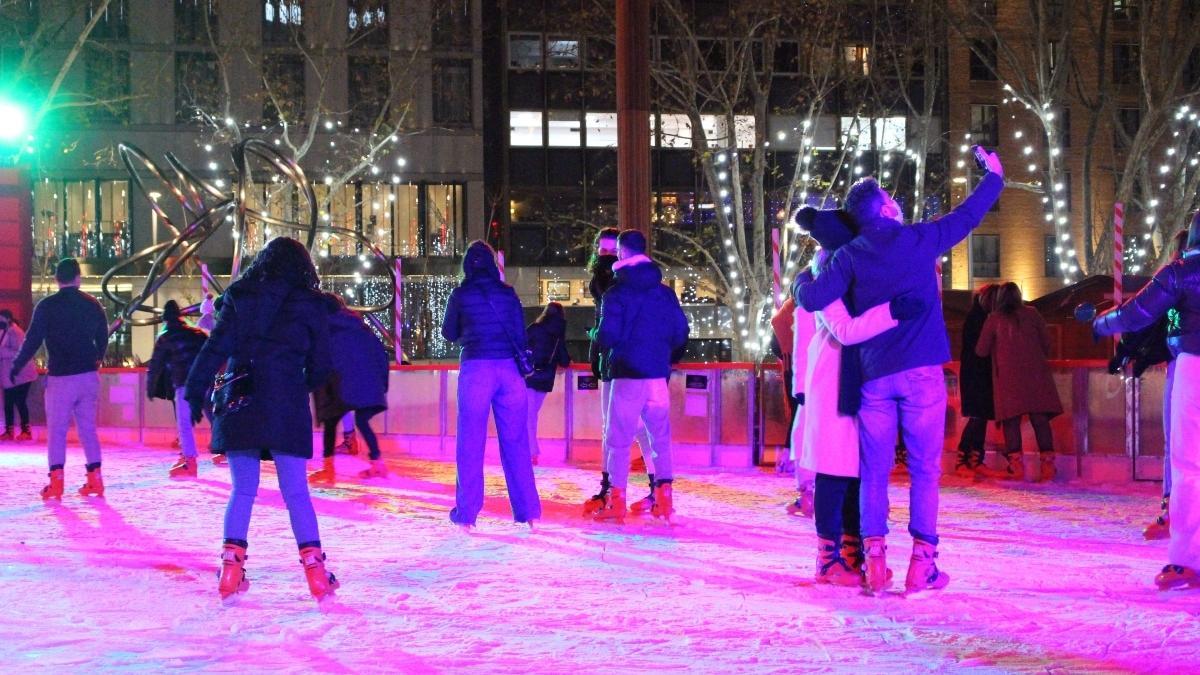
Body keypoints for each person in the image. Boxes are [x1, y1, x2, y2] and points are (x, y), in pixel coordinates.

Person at [794, 147, 1004, 595]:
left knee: (874, 470)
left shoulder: (849, 256)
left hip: (873, 376)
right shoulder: (918, 239)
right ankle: (921, 564)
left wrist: (799, 281)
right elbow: (968, 217)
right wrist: (994, 178)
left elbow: (812, 300)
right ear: (886, 207)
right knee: (925, 470)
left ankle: (873, 563)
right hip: (923, 371)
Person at [184, 237, 339, 603]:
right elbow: (323, 365)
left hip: (242, 400)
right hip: (285, 402)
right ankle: (316, 575)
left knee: (242, 490)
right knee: (296, 493)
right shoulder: (311, 305)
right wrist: (298, 384)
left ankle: (229, 572)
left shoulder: (240, 296)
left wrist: (194, 390)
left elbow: (214, 348)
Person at [793, 206, 926, 586]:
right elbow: (845, 331)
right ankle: (828, 557)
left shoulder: (849, 275)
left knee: (857, 471)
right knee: (835, 470)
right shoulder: (824, 279)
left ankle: (852, 550)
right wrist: (893, 311)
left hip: (864, 379)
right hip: (836, 383)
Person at [1093, 213, 1200, 590]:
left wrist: (1102, 324)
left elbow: (1137, 312)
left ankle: (1187, 558)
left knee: (1188, 464)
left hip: (1193, 365)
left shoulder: (1181, 271)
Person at [590, 230, 690, 523]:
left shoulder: (616, 293)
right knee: (660, 439)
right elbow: (681, 333)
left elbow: (608, 336)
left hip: (626, 376)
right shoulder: (665, 292)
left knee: (618, 440)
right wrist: (663, 358)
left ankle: (617, 501)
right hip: (657, 378)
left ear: (622, 253)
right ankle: (664, 499)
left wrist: (595, 333)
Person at [441, 240, 541, 529]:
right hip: (509, 372)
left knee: (470, 442)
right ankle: (528, 511)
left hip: (476, 369)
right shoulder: (508, 295)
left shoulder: (460, 294)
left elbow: (449, 333)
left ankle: (467, 514)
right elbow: (520, 336)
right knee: (516, 441)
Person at [1108, 228, 1189, 539]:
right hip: (1180, 362)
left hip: (1183, 366)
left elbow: (1143, 317)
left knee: (1178, 443)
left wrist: (1121, 345)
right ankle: (1174, 511)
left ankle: (1172, 512)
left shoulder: (1176, 277)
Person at [11, 259, 109, 500]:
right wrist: (98, 357)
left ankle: (56, 482)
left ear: (56, 279)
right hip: (88, 375)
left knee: (57, 430)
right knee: (88, 429)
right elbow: (103, 335)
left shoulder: (47, 306)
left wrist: (17, 364)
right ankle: (95, 478)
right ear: (78, 277)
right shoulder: (92, 304)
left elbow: (32, 340)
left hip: (60, 378)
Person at [583, 227, 657, 516]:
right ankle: (647, 487)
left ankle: (615, 489)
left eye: (610, 248)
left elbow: (607, 307)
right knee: (635, 427)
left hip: (619, 362)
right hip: (624, 361)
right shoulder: (631, 280)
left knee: (625, 428)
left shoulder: (617, 280)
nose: (605, 253)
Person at [975, 282, 1063, 482]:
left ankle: (1016, 466)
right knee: (1040, 420)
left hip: (1008, 379)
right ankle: (1048, 466)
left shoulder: (994, 319)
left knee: (1011, 422)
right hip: (1036, 375)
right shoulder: (1033, 313)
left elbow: (981, 350)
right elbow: (1047, 343)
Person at [309, 293, 390, 484]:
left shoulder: (326, 329)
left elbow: (322, 360)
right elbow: (380, 353)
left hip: (342, 384)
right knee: (362, 421)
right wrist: (383, 382)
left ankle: (329, 470)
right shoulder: (360, 326)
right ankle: (378, 464)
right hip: (367, 382)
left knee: (331, 421)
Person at [146, 300, 208, 478]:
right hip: (203, 381)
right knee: (213, 416)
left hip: (184, 384)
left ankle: (189, 462)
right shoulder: (197, 333)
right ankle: (226, 449)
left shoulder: (165, 337)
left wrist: (150, 387)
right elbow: (211, 352)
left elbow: (155, 364)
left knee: (184, 423)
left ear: (166, 319)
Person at [774, 293, 818, 516]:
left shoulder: (796, 308)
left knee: (801, 427)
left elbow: (780, 337)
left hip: (800, 374)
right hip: (823, 374)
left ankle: (807, 491)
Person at [955, 284, 1001, 480]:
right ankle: (964, 458)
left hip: (976, 373)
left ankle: (974, 458)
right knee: (977, 416)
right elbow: (981, 349)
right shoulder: (980, 319)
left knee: (980, 416)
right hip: (977, 374)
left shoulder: (977, 317)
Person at [524, 302, 570, 465]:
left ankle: (531, 452)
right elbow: (564, 360)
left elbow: (521, 347)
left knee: (528, 416)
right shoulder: (557, 335)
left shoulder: (534, 329)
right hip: (545, 380)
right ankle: (532, 451)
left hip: (529, 376)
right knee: (532, 415)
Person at [0, 309, 38, 442]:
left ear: (8, 319)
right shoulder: (4, 333)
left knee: (20, 401)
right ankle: (9, 430)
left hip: (21, 373)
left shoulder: (15, 332)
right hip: (10, 374)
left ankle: (26, 431)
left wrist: (1, 352)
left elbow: (21, 352)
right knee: (8, 402)